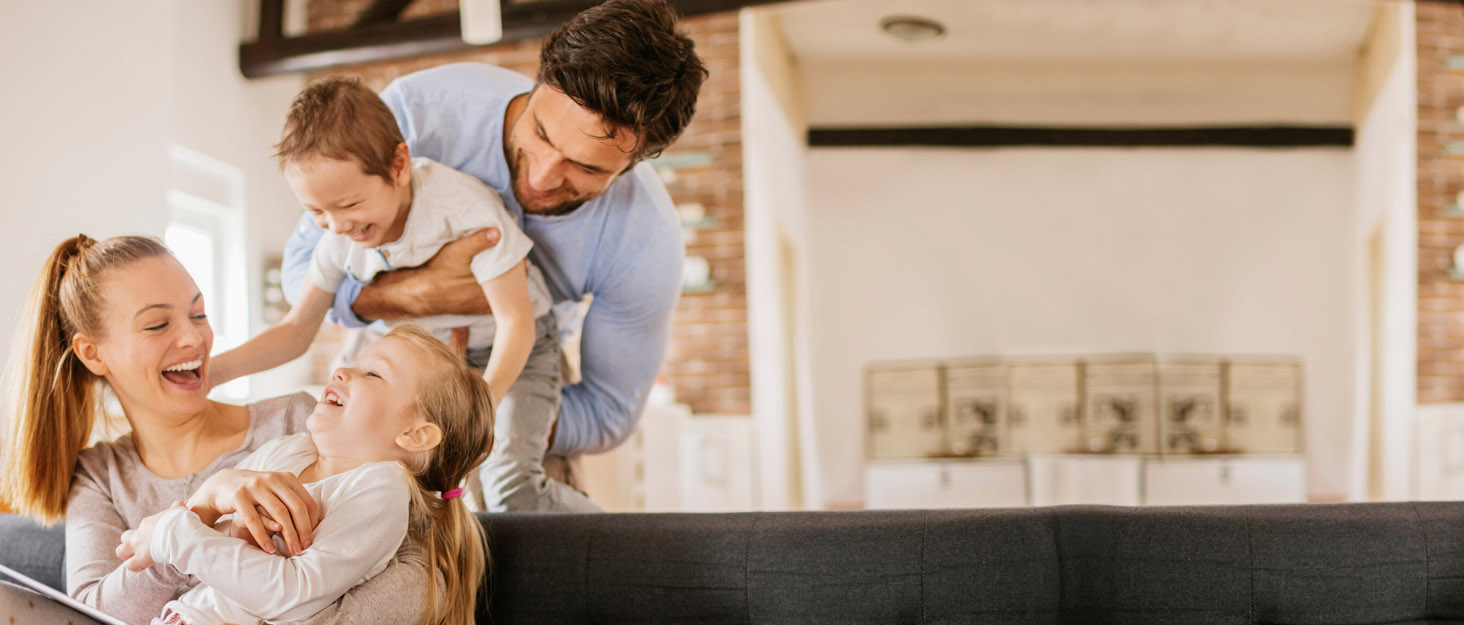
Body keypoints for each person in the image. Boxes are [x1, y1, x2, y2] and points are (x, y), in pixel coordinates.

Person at [280, 0, 708, 512]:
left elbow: (606, 414)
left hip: (525, 380)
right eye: (541, 133)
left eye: (587, 169)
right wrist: (415, 296)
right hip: (384, 370)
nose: (543, 176)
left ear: (634, 164)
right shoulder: (419, 114)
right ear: (537, 80)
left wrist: (481, 415)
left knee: (522, 518)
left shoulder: (643, 239)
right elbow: (301, 272)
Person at [0, 235, 430, 625]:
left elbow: (424, 576)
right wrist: (197, 512)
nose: (194, 338)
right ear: (93, 354)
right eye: (157, 325)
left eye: (198, 313)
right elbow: (92, 613)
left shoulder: (300, 426)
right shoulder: (101, 475)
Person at [210, 75, 588, 511]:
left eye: (350, 205)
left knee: (509, 486)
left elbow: (516, 323)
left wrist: (480, 403)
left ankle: (623, 536)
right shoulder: (339, 238)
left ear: (399, 166)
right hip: (433, 358)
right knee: (409, 480)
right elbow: (296, 330)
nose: (337, 226)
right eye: (316, 212)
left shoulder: (462, 208)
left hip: (517, 346)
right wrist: (214, 372)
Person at [119, 325, 492, 625]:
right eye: (353, 362)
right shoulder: (292, 450)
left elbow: (293, 595)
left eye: (373, 373)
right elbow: (210, 545)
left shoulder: (382, 489)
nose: (341, 370)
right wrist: (210, 528)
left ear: (415, 435)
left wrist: (173, 533)